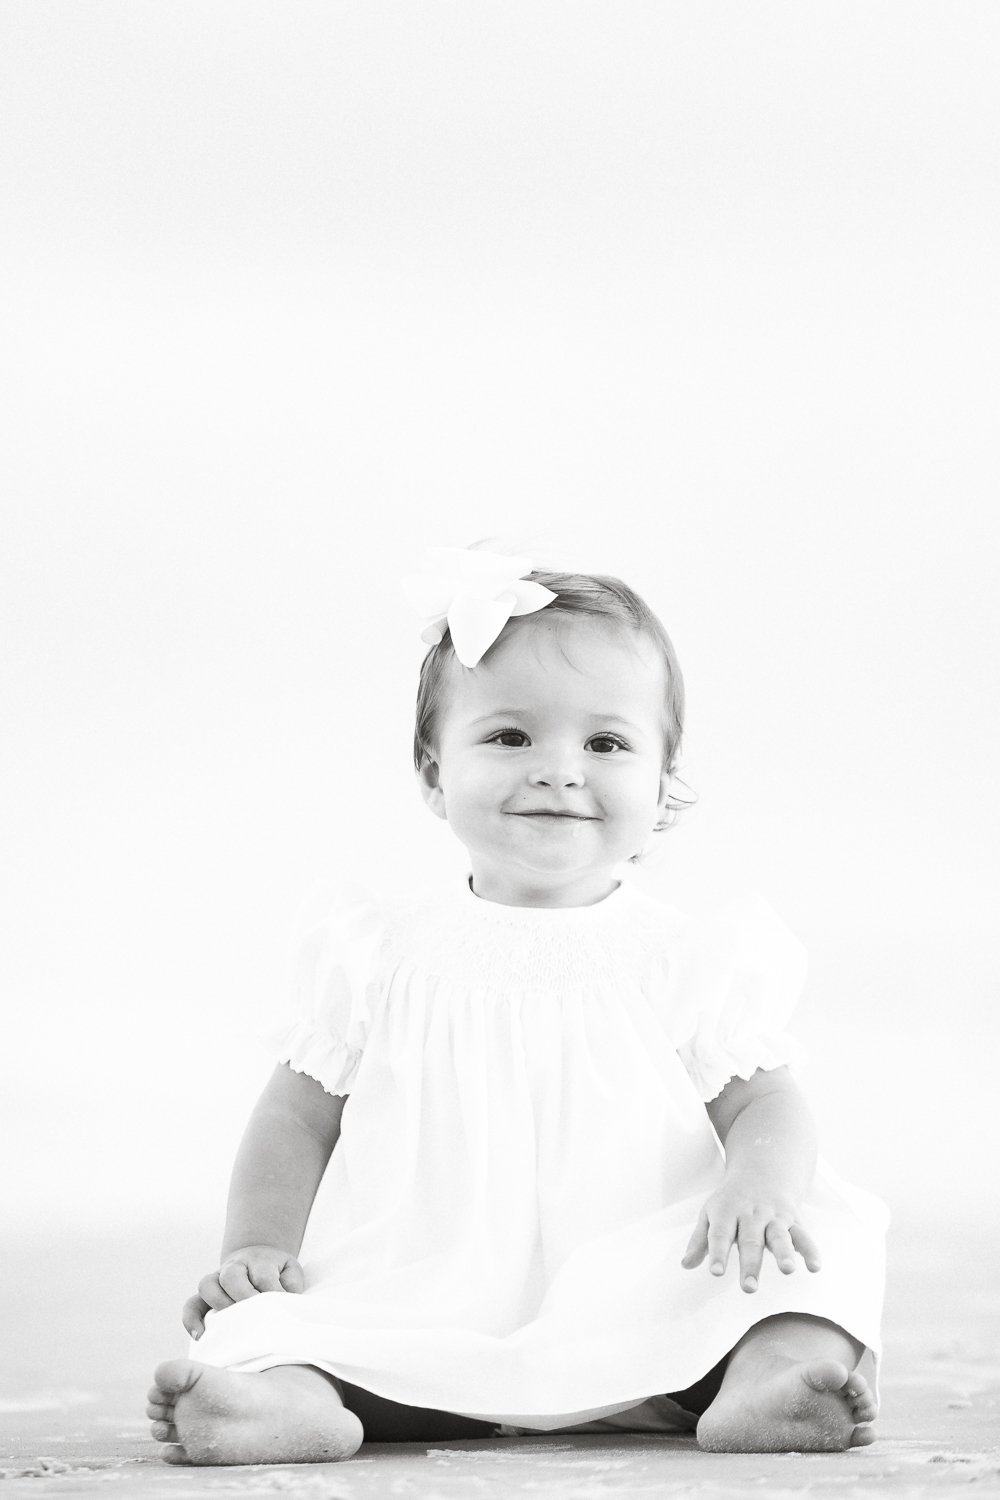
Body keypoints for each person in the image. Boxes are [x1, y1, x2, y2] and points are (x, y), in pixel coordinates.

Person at [147, 545, 888, 1465]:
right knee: (276, 1324)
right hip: (430, 1284)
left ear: (662, 786)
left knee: (817, 1264)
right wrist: (256, 1246)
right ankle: (290, 1403)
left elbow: (765, 1099)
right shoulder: (376, 953)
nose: (558, 770)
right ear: (431, 772)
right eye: (509, 737)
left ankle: (769, 1382)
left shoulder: (686, 958)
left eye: (606, 743)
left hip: (648, 1288)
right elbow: (299, 1116)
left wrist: (756, 1187)